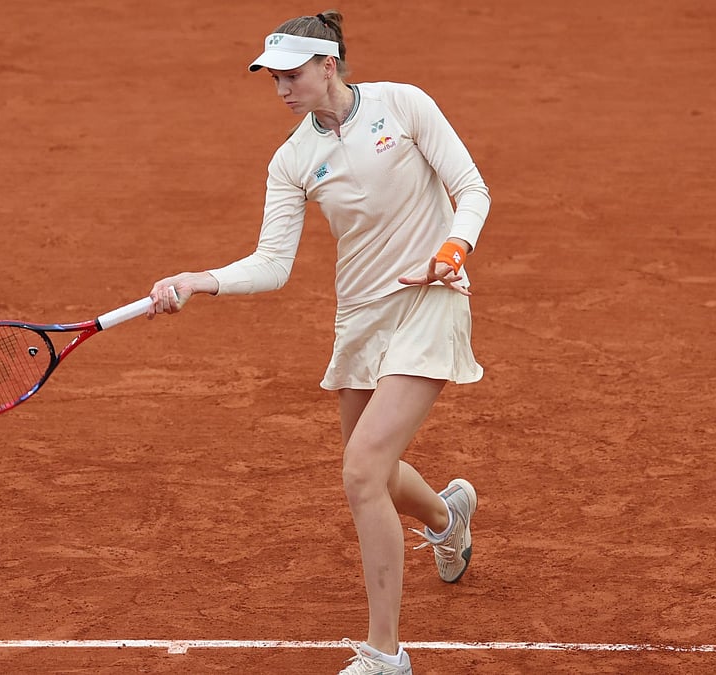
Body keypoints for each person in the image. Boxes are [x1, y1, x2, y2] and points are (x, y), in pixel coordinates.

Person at [146, 10, 489, 675]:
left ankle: (386, 655)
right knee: (379, 472)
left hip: (430, 299)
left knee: (360, 470)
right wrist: (199, 279)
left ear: (328, 65)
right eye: (273, 79)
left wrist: (453, 249)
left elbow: (471, 188)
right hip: (361, 321)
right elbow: (273, 263)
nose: (281, 89)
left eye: (291, 75)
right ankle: (447, 519)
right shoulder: (293, 158)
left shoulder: (403, 105)